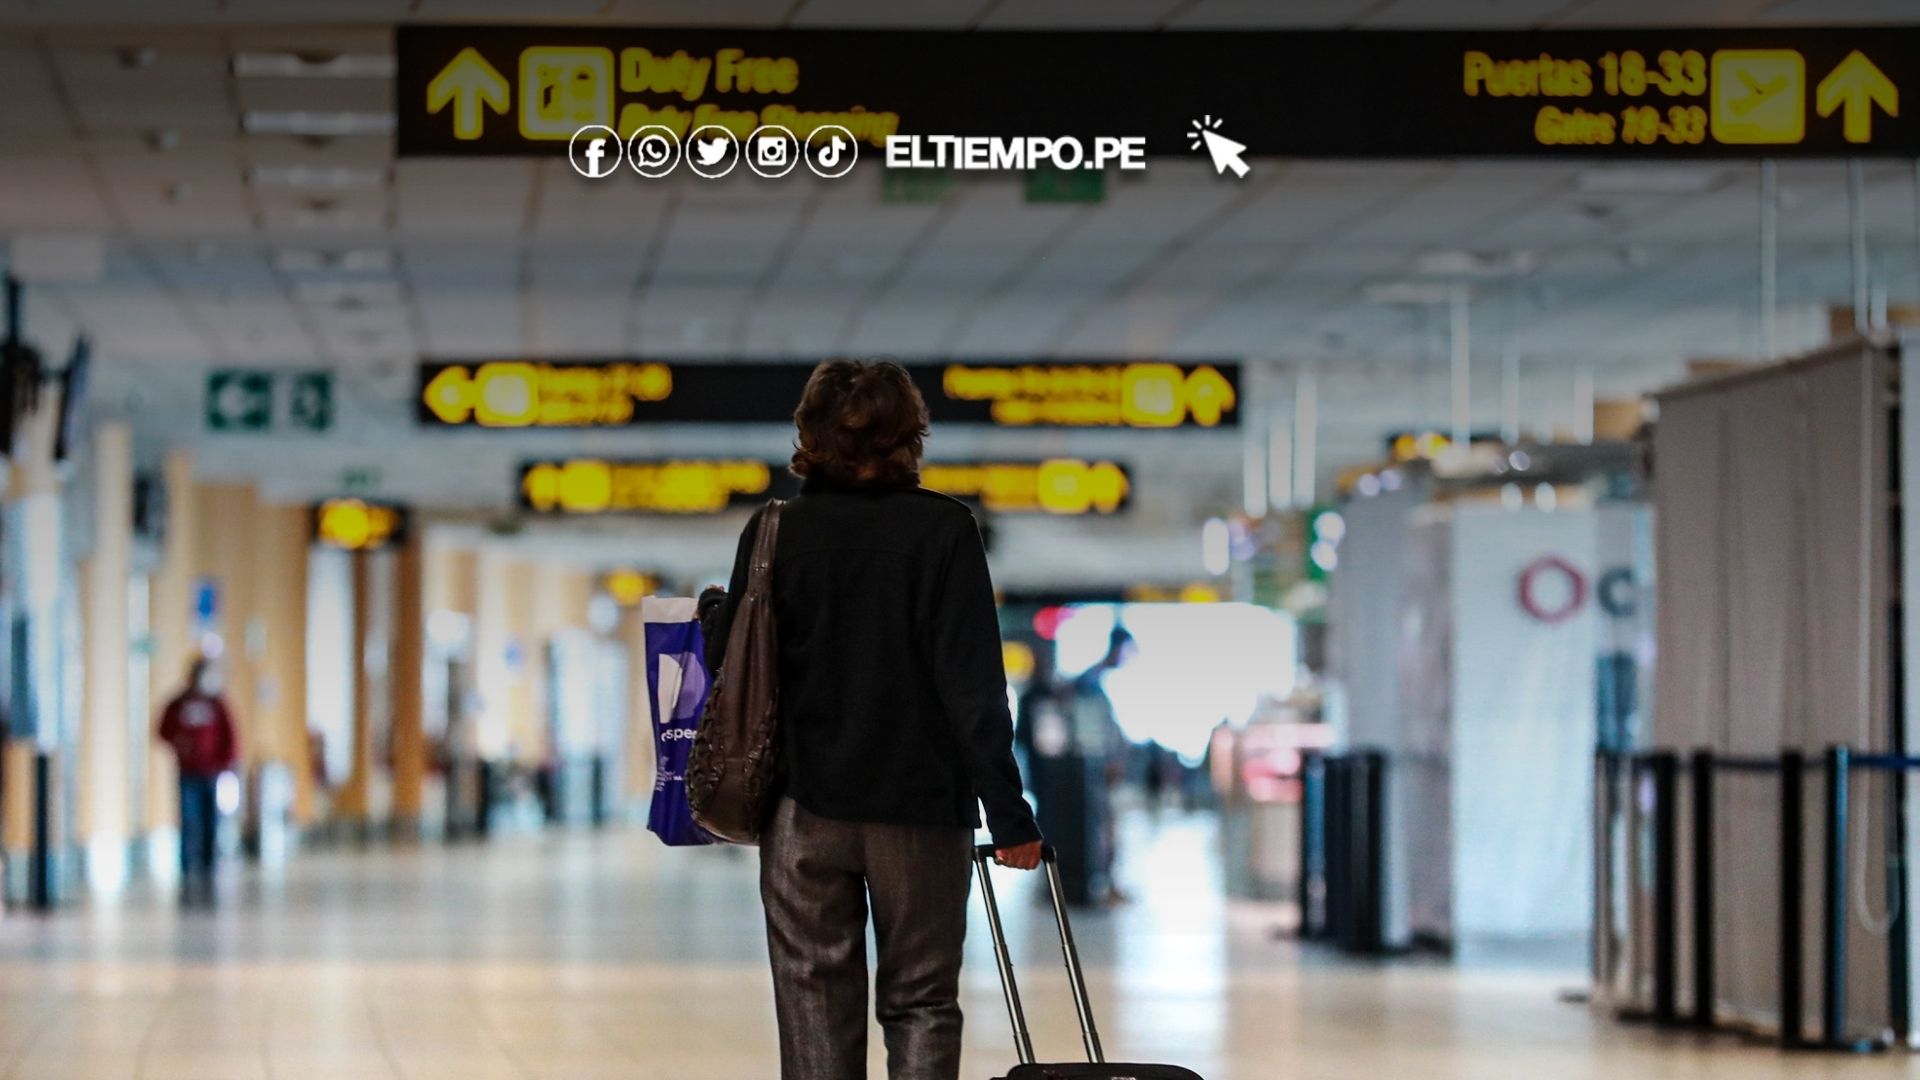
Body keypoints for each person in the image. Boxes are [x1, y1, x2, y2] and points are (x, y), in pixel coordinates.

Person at [706, 359, 1042, 1080]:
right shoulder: (945, 530)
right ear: (908, 434)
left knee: (812, 996)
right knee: (922, 1000)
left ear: (810, 432)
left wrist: (712, 616)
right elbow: (974, 686)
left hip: (802, 808)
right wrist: (1010, 816)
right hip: (920, 811)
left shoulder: (774, 530)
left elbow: (733, 661)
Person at [156, 657, 239, 901]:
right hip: (188, 772)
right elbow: (162, 730)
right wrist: (178, 743)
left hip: (212, 772)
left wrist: (227, 762)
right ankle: (187, 865)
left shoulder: (217, 703)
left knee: (211, 819)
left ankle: (209, 863)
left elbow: (231, 735)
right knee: (189, 819)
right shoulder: (178, 703)